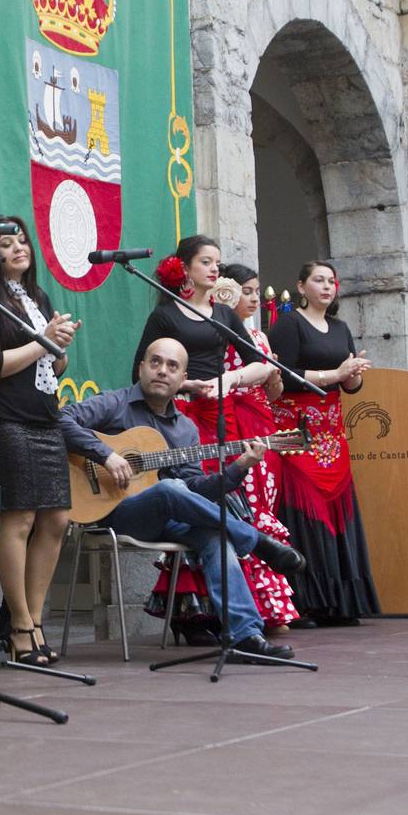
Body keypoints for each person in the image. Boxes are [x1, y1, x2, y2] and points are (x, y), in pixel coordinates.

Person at [60, 338, 305, 661]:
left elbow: (194, 489)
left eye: (172, 366)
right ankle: (257, 541)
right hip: (114, 512)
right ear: (142, 368)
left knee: (213, 533)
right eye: (156, 362)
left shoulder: (185, 429)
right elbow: (61, 419)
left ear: (182, 377)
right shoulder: (115, 404)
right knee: (169, 489)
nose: (162, 371)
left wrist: (238, 468)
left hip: (167, 518)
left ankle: (244, 637)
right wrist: (106, 455)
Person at [132, 235, 272, 644]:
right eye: (206, 262)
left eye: (218, 263)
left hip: (217, 417)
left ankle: (230, 616)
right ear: (185, 268)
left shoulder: (225, 316)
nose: (215, 269)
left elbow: (259, 366)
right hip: (177, 419)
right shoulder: (165, 315)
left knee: (222, 502)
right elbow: (136, 373)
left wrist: (226, 380)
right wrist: (184, 383)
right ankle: (191, 618)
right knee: (191, 508)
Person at [0, 216, 81, 666]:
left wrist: (60, 353)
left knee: (57, 520)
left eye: (22, 241)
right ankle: (18, 625)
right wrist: (44, 341)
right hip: (7, 418)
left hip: (44, 416)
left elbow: (49, 368)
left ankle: (34, 619)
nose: (18, 248)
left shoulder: (37, 297)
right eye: (5, 244)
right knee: (18, 520)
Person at [268, 260, 379, 626]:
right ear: (301, 287)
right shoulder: (289, 323)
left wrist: (353, 376)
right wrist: (335, 373)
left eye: (331, 281)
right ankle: (304, 603)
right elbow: (283, 376)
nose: (327, 286)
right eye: (319, 280)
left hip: (332, 433)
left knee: (337, 513)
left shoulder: (341, 327)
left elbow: (350, 385)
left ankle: (341, 603)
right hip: (297, 433)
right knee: (304, 512)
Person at [217, 263, 301, 633]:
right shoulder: (217, 333)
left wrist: (275, 377)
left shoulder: (261, 339)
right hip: (232, 424)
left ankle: (271, 606)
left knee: (264, 504)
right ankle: (250, 608)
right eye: (245, 291)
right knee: (242, 507)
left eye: (255, 291)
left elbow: (274, 394)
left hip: (262, 424)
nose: (252, 298)